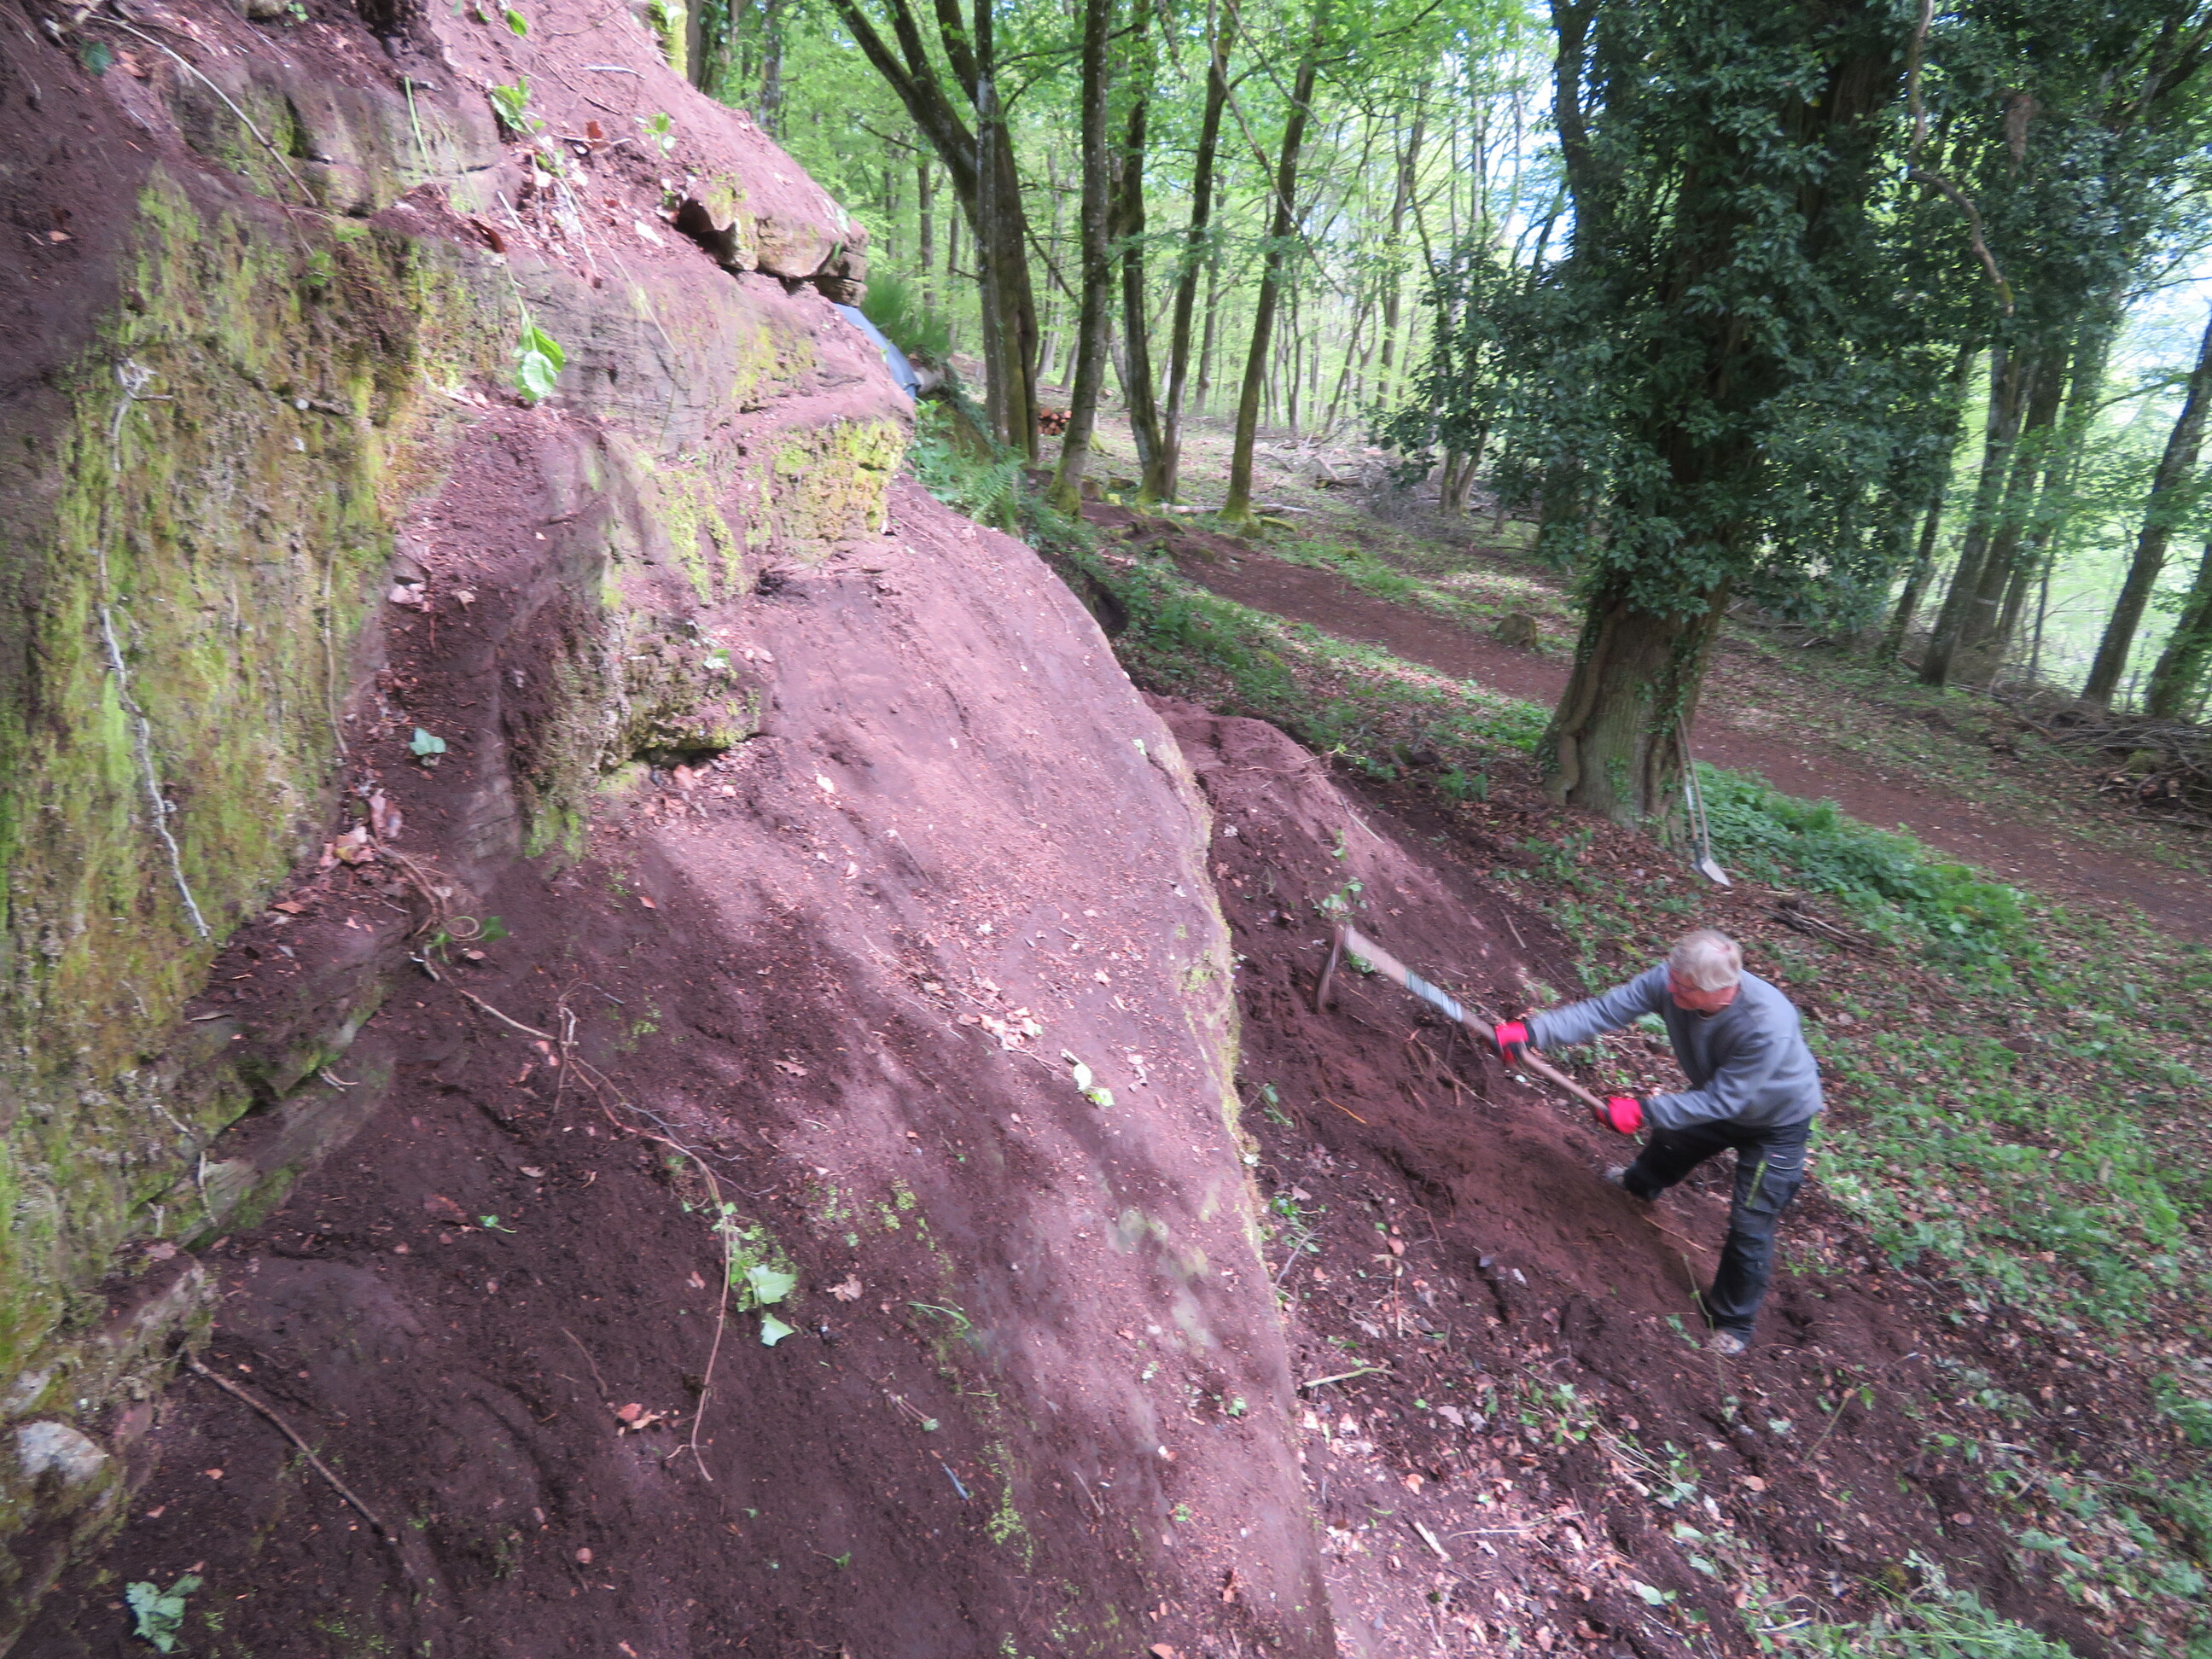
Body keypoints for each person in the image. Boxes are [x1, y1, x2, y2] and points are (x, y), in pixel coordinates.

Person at [1490, 929, 1820, 1355]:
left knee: (1751, 1223)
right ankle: (1638, 1185)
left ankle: (1734, 1322)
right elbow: (1605, 1010)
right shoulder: (1671, 980)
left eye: (1683, 988)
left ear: (1720, 990)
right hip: (1718, 1098)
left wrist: (1642, 1111)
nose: (1670, 990)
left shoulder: (1766, 1023)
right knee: (1673, 1140)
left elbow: (1725, 1101)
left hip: (1776, 1122)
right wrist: (1533, 1032)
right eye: (1672, 979)